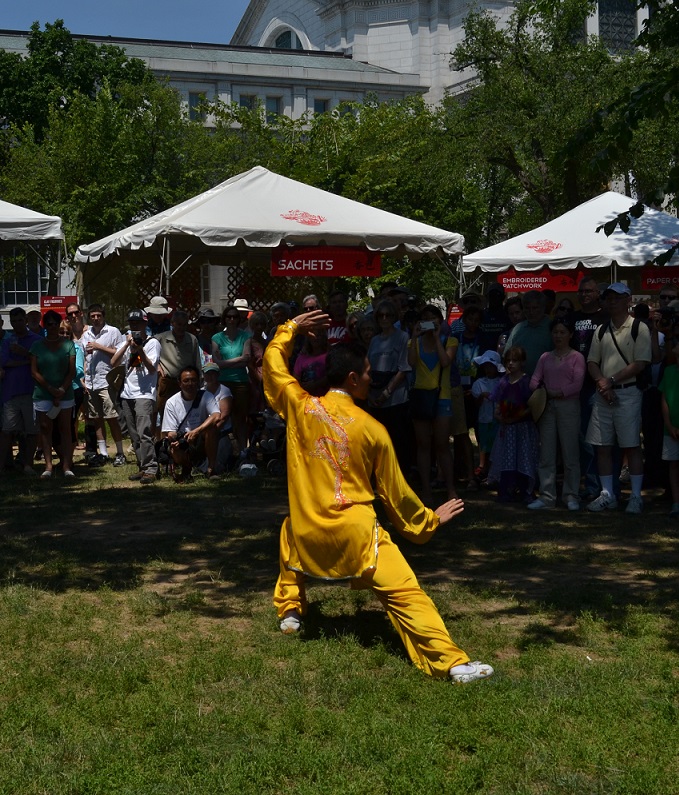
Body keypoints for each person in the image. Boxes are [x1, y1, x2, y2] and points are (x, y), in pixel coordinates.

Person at [262, 309, 494, 684]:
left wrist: (290, 328)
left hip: (308, 532)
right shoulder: (373, 429)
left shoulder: (300, 407)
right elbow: (396, 495)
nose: (372, 378)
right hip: (357, 536)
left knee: (290, 530)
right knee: (406, 593)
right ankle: (452, 664)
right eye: (368, 373)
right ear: (353, 380)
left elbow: (273, 365)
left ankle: (290, 610)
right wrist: (430, 519)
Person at [586, 282, 652, 514]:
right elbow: (592, 362)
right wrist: (604, 385)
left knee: (631, 445)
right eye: (608, 297)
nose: (611, 301)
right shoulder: (601, 330)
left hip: (629, 392)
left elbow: (641, 363)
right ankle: (608, 494)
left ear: (628, 300)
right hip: (604, 393)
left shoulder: (639, 328)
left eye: (616, 297)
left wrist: (609, 381)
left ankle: (635, 496)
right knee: (602, 446)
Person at [527, 318, 586, 511]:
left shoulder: (577, 357)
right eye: (555, 332)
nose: (558, 336)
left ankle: (571, 495)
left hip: (568, 406)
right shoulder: (545, 357)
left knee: (570, 453)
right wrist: (543, 391)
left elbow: (577, 384)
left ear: (570, 335)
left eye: (562, 332)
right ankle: (547, 496)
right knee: (547, 454)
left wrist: (558, 392)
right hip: (547, 407)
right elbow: (534, 380)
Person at [408, 305, 458, 505]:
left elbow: (446, 361)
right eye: (425, 318)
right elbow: (411, 363)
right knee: (423, 445)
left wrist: (437, 337)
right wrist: (414, 336)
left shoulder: (450, 341)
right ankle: (426, 489)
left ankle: (451, 489)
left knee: (442, 445)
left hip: (442, 397)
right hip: (421, 396)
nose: (429, 322)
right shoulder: (414, 343)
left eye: (433, 318)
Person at [111, 309, 161, 485]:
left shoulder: (152, 343)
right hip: (127, 393)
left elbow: (152, 368)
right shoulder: (127, 341)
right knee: (134, 434)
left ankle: (151, 468)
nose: (134, 326)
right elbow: (113, 362)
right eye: (131, 323)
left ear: (145, 324)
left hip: (144, 394)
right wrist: (126, 345)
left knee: (144, 432)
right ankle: (142, 466)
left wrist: (140, 349)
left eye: (137, 323)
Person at [488, 345, 539, 503]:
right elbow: (497, 403)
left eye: (515, 361)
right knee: (507, 458)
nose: (511, 364)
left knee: (524, 457)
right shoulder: (503, 382)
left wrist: (516, 417)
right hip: (507, 428)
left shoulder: (527, 381)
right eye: (508, 360)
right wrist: (499, 415)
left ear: (522, 362)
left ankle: (525, 490)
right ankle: (506, 490)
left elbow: (532, 406)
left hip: (523, 428)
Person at [30, 310, 76, 478]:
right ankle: (48, 466)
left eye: (55, 323)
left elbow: (71, 372)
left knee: (65, 428)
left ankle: (66, 465)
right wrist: (50, 389)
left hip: (65, 393)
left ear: (59, 324)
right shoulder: (37, 346)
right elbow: (34, 371)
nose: (53, 327)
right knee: (45, 428)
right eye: (49, 324)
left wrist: (61, 390)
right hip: (43, 393)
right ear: (45, 326)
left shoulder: (68, 344)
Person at [367, 299, 412, 473]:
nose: (384, 318)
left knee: (398, 441)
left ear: (394, 317)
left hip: (396, 397)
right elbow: (368, 367)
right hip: (376, 395)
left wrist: (387, 392)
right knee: (378, 441)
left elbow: (404, 367)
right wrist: (371, 394)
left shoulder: (402, 337)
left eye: (388, 315)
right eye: (381, 315)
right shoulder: (375, 341)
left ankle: (401, 477)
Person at [81, 304, 126, 466]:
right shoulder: (86, 334)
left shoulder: (113, 332)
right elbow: (85, 358)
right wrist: (84, 379)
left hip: (107, 381)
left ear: (103, 316)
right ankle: (104, 453)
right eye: (92, 316)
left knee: (111, 417)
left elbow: (120, 353)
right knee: (96, 419)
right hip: (91, 383)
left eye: (98, 315)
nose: (95, 318)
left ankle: (120, 452)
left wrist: (99, 347)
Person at [0, 307, 43, 475]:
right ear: (10, 322)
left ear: (25, 321)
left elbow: (40, 361)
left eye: (20, 320)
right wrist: (27, 361)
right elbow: (4, 363)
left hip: (31, 391)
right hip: (11, 392)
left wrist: (24, 353)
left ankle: (28, 465)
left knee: (31, 431)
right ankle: (2, 466)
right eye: (14, 321)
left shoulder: (37, 340)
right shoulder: (8, 341)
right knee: (7, 431)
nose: (17, 324)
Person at [161, 366, 221, 483]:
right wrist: (175, 438)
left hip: (201, 437)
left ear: (198, 382)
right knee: (174, 448)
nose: (190, 384)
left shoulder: (206, 396)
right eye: (186, 381)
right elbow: (169, 431)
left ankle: (211, 469)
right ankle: (187, 468)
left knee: (212, 429)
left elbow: (216, 416)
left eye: (193, 380)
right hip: (183, 440)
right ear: (180, 383)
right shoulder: (171, 402)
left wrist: (196, 431)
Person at [212, 306, 251, 458]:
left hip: (241, 381)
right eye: (229, 317)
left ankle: (243, 450)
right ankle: (220, 452)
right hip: (223, 382)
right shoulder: (216, 338)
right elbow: (217, 363)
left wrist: (228, 362)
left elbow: (246, 361)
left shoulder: (245, 336)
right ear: (224, 318)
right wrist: (239, 359)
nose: (232, 320)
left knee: (241, 418)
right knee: (221, 417)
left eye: (235, 317)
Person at [156, 310, 203, 432]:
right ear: (172, 323)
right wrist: (157, 366)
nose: (181, 327)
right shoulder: (161, 338)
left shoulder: (192, 339)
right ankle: (163, 443)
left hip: (188, 383)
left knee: (186, 412)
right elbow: (145, 353)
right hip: (168, 382)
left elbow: (197, 361)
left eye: (184, 324)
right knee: (164, 413)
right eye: (178, 324)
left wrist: (199, 381)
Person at [470, 350, 504, 485]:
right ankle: (483, 467)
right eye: (486, 366)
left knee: (496, 444)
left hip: (498, 418)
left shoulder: (501, 382)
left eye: (491, 366)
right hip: (484, 417)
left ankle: (494, 470)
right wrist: (482, 396)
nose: (489, 369)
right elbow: (476, 403)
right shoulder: (479, 383)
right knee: (484, 444)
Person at [504, 290, 552, 376]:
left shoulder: (552, 328)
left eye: (534, 308)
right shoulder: (518, 328)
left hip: (545, 384)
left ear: (543, 308)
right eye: (527, 308)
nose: (531, 312)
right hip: (519, 383)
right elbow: (507, 357)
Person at [659, 328, 679, 517]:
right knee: (673, 464)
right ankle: (676, 501)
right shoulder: (670, 371)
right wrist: (669, 424)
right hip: (670, 429)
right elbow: (664, 399)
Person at [202, 361, 233, 476]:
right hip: (203, 429)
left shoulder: (224, 391)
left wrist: (212, 431)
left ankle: (212, 467)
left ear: (218, 375)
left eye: (213, 374)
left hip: (220, 430)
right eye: (207, 374)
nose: (210, 377)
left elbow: (224, 416)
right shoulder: (200, 391)